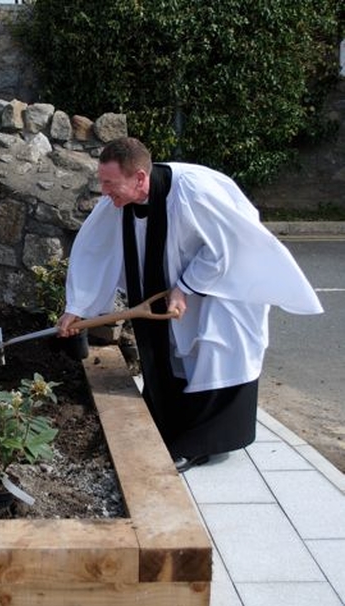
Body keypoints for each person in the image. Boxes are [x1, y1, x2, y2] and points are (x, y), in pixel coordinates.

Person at [58, 137, 323, 472]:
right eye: (103, 183)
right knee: (170, 357)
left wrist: (184, 288)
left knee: (214, 354)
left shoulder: (193, 191)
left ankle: (201, 443)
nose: (105, 191)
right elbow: (92, 251)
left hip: (221, 290)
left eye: (110, 184)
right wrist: (77, 306)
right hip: (165, 297)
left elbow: (228, 249)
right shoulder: (118, 202)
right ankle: (171, 426)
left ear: (140, 177)